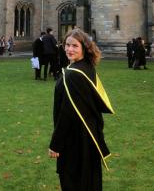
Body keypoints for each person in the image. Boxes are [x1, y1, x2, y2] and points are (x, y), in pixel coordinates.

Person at [49, 28, 114, 190]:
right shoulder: (87, 67)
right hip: (89, 133)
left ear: (84, 48)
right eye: (67, 45)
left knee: (74, 180)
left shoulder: (73, 74)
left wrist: (56, 144)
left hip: (75, 138)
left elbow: (67, 113)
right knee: (89, 179)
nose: (69, 49)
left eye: (75, 46)